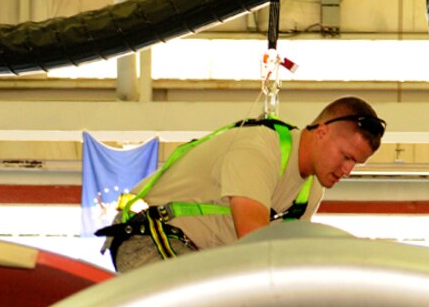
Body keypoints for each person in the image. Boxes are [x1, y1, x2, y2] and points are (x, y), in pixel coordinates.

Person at [100, 96, 385, 272]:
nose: (347, 170)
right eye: (346, 156)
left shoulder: (311, 192)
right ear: (322, 132)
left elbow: (285, 258)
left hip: (197, 258)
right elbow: (256, 244)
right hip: (147, 239)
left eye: (356, 163)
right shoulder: (259, 148)